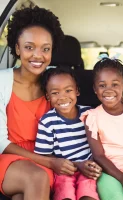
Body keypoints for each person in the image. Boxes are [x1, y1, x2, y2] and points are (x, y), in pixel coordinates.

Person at [0, 6, 65, 200]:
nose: (38, 56)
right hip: (8, 157)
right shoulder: (2, 82)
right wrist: (49, 162)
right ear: (17, 48)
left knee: (23, 195)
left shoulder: (55, 82)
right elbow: (1, 142)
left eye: (45, 49)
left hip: (45, 159)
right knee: (37, 177)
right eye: (29, 47)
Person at [80, 57, 123, 200]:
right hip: (108, 172)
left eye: (115, 84)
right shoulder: (92, 117)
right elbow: (98, 156)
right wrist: (122, 177)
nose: (108, 90)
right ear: (94, 89)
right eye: (102, 85)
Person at [34, 67, 101, 200]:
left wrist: (92, 165)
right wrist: (72, 164)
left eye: (68, 90)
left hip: (88, 170)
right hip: (63, 172)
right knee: (65, 194)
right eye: (55, 93)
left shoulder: (90, 114)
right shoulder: (47, 121)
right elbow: (44, 155)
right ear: (47, 96)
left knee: (88, 194)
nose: (62, 97)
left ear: (77, 91)